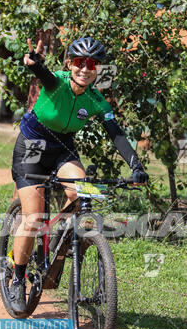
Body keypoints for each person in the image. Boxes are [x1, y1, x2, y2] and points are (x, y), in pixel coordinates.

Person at [10, 35, 148, 313]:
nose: (85, 69)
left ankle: (62, 234)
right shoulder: (57, 82)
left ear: (97, 69)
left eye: (92, 64)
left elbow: (117, 135)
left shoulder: (97, 99)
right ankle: (17, 277)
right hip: (33, 148)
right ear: (70, 63)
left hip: (62, 149)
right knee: (33, 217)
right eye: (79, 62)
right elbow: (44, 75)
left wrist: (136, 165)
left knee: (79, 191)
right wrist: (35, 65)